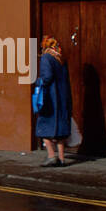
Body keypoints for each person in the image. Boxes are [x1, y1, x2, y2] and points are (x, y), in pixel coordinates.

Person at [34, 36, 73, 166]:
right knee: (60, 130)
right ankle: (61, 159)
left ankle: (51, 155)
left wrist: (39, 83)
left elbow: (47, 77)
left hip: (50, 98)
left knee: (43, 126)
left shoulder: (46, 58)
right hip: (62, 97)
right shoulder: (61, 58)